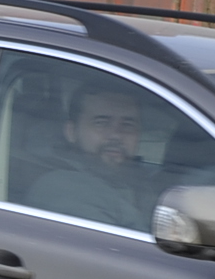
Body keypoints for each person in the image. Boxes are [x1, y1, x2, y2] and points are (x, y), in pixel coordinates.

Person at [25, 84, 158, 229]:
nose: (116, 134)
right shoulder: (65, 188)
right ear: (72, 132)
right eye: (101, 123)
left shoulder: (138, 183)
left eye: (127, 125)